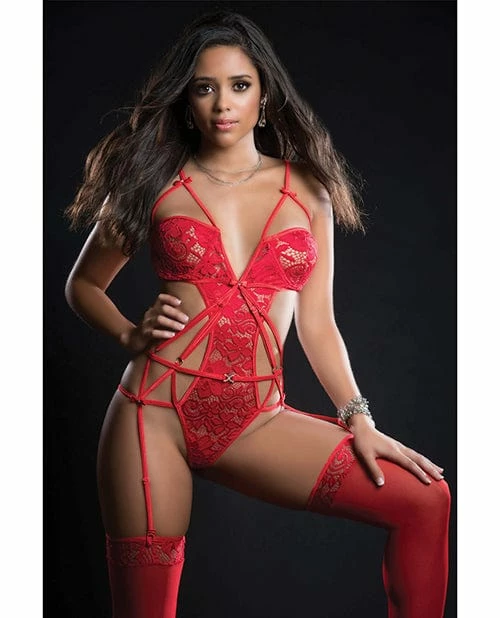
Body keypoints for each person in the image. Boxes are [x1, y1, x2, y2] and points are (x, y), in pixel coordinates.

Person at [64, 10, 450, 618]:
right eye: (205, 87)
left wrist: (358, 417)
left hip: (255, 420)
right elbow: (83, 284)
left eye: (239, 85)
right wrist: (128, 333)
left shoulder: (308, 190)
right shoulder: (152, 182)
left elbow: (318, 323)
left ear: (264, 94)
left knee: (426, 501)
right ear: (187, 99)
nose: (223, 103)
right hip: (152, 415)